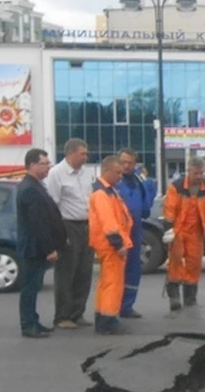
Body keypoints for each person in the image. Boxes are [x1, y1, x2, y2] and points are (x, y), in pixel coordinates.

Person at [16, 149, 66, 339]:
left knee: (34, 286)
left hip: (36, 246)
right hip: (33, 248)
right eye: (44, 163)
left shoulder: (36, 185)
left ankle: (34, 320)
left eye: (48, 163)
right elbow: (38, 223)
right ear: (32, 165)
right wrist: (49, 249)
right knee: (29, 288)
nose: (48, 167)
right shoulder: (29, 189)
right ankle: (28, 325)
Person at [44, 138, 94, 330]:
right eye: (83, 153)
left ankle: (77, 312)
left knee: (84, 271)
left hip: (86, 225)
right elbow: (52, 206)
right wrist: (58, 234)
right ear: (71, 153)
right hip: (68, 225)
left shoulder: (85, 173)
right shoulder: (56, 174)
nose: (86, 157)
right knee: (67, 272)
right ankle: (62, 315)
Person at [162, 157, 205, 312]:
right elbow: (169, 209)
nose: (199, 176)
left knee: (194, 264)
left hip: (196, 232)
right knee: (175, 262)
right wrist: (169, 230)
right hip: (178, 231)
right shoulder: (176, 187)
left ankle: (190, 298)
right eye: (196, 173)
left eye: (201, 173)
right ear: (188, 171)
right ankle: (174, 297)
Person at [88, 156, 132, 335]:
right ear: (106, 171)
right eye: (117, 172)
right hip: (111, 245)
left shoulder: (107, 190)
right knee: (113, 283)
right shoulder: (103, 194)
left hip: (107, 244)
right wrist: (118, 244)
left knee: (106, 283)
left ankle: (102, 317)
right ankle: (108, 321)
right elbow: (109, 222)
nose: (120, 176)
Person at [115, 148, 156, 319]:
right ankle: (112, 306)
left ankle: (127, 306)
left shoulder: (139, 181)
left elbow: (147, 205)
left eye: (129, 163)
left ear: (134, 164)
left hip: (135, 229)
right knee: (116, 271)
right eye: (123, 162)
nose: (126, 166)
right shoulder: (113, 181)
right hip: (117, 231)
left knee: (133, 269)